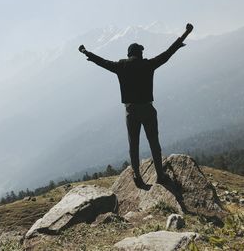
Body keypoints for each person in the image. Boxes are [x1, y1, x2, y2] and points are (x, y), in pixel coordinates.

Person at [78, 23, 193, 187]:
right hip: (147, 109)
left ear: (129, 54)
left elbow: (102, 62)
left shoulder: (121, 66)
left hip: (131, 110)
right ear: (139, 53)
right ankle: (160, 175)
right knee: (154, 142)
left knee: (134, 144)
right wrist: (184, 35)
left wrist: (85, 52)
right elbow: (167, 54)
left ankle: (137, 176)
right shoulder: (148, 64)